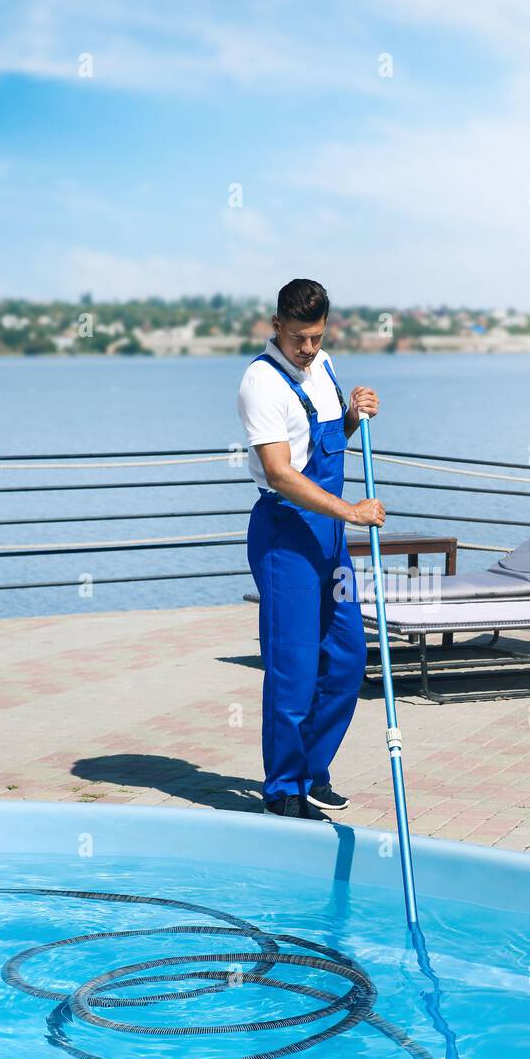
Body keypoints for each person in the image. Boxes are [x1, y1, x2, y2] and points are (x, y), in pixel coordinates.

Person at [237, 278, 385, 819]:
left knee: (348, 657)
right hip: (285, 537)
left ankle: (311, 770)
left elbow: (327, 441)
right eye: (298, 337)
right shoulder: (260, 383)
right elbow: (280, 472)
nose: (307, 348)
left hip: (328, 540)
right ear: (276, 326)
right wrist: (351, 512)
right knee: (293, 668)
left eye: (316, 337)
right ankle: (282, 789)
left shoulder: (324, 365)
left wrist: (352, 415)